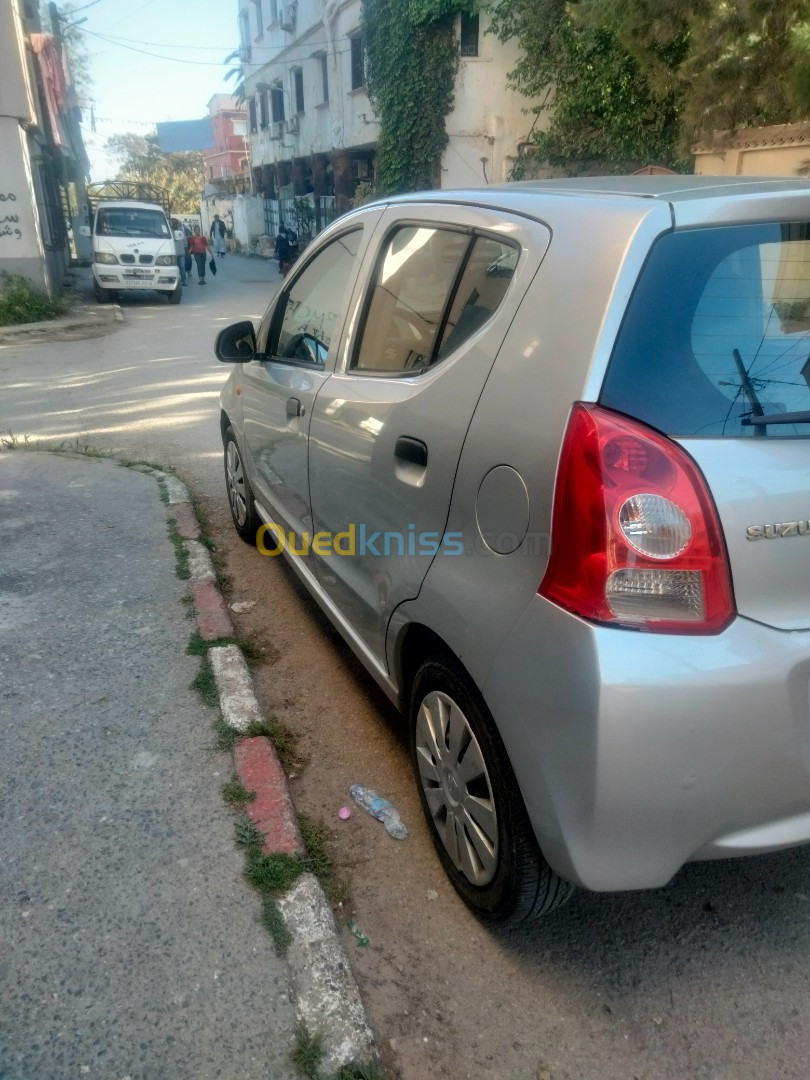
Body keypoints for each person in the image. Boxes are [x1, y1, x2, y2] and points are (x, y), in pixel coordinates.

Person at [170, 218, 187, 285]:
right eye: (172, 222)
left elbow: (185, 240)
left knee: (182, 267)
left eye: (174, 222)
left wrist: (186, 249)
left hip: (181, 252)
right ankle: (174, 281)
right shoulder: (169, 230)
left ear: (177, 223)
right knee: (173, 268)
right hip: (173, 253)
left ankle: (183, 281)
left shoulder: (181, 230)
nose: (173, 223)